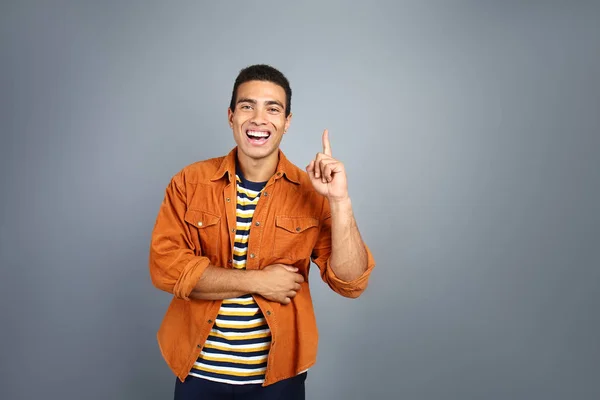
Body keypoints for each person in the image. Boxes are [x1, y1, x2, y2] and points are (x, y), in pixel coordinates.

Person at [149, 64, 376, 399]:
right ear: (230, 116)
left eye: (273, 108)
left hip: (279, 381)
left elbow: (351, 282)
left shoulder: (312, 191)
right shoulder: (189, 182)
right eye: (247, 106)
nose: (259, 118)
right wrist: (257, 281)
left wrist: (339, 200)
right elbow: (166, 268)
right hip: (198, 375)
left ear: (287, 122)